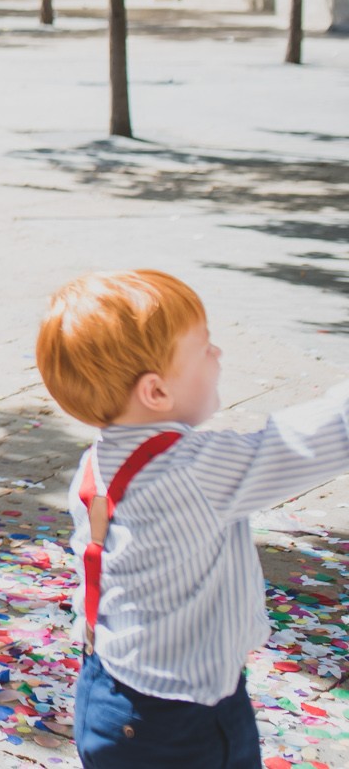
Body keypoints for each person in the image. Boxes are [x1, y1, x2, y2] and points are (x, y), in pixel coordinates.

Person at [36, 270, 349, 769]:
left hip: (107, 692)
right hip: (182, 719)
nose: (219, 354)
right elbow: (306, 444)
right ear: (156, 392)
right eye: (204, 347)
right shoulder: (197, 468)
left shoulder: (98, 461)